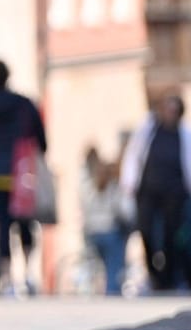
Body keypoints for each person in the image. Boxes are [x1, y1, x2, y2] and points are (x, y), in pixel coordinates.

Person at [0, 60, 47, 296]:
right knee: (25, 222)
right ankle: (29, 275)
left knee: (2, 224)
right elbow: (41, 139)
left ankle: (5, 277)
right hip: (21, 171)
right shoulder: (23, 104)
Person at [120, 95, 191, 292]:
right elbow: (133, 155)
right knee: (145, 230)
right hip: (148, 191)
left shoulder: (184, 135)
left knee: (171, 235)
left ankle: (167, 278)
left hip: (175, 192)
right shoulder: (149, 130)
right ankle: (153, 272)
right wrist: (128, 184)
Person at [81, 145, 131, 297]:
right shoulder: (113, 189)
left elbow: (84, 210)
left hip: (92, 232)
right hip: (109, 231)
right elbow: (124, 211)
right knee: (113, 267)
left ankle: (93, 291)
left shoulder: (88, 188)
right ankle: (111, 294)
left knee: (95, 266)